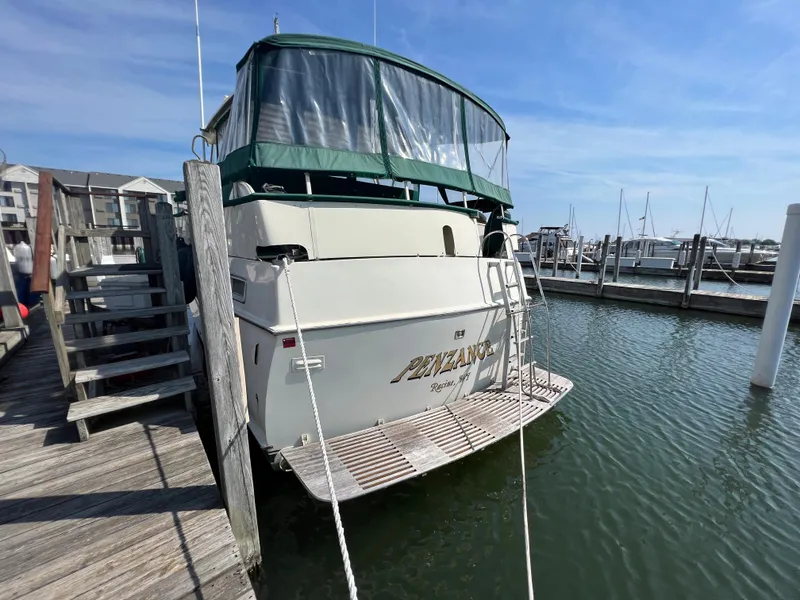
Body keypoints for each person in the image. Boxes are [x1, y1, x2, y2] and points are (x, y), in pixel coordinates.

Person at [12, 240, 33, 307]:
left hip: (21, 274)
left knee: (21, 293)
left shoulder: (17, 248)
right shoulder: (26, 248)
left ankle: (22, 305)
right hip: (25, 274)